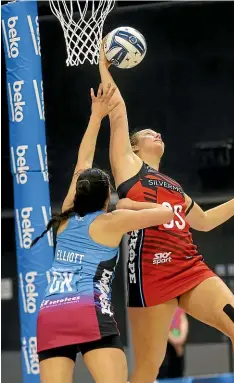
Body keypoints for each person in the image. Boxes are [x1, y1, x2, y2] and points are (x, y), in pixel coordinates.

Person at [99, 45, 234, 383]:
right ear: (134, 146)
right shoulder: (127, 165)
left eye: (158, 132)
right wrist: (104, 66)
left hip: (189, 267)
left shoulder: (174, 187)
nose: (157, 133)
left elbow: (207, 221)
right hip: (150, 274)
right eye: (148, 133)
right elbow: (117, 108)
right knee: (147, 369)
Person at [31, 83, 174, 383]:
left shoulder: (66, 216)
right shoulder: (113, 220)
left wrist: (96, 117)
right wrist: (130, 203)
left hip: (51, 314)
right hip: (88, 311)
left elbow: (81, 164)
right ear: (107, 196)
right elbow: (165, 212)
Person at [157, 307, 189, 379]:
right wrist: (174, 340)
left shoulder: (178, 307)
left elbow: (183, 320)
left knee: (177, 372)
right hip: (164, 348)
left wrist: (181, 338)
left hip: (178, 348)